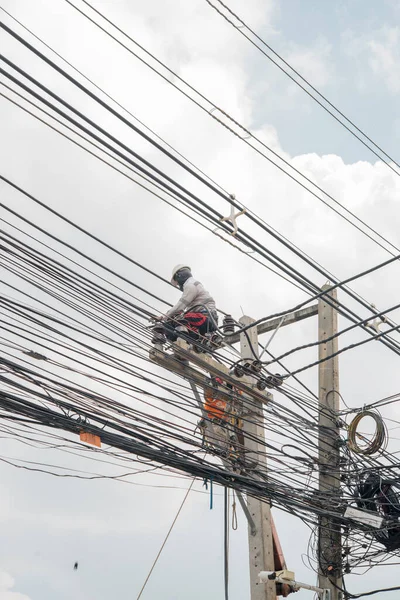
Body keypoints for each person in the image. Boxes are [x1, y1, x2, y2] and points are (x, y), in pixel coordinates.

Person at [156, 264, 218, 343]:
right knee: (171, 324)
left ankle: (183, 338)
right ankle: (188, 341)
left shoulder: (190, 286)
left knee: (178, 318)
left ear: (179, 276)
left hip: (207, 318)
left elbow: (180, 306)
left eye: (177, 283)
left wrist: (163, 316)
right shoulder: (193, 285)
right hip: (204, 320)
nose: (178, 285)